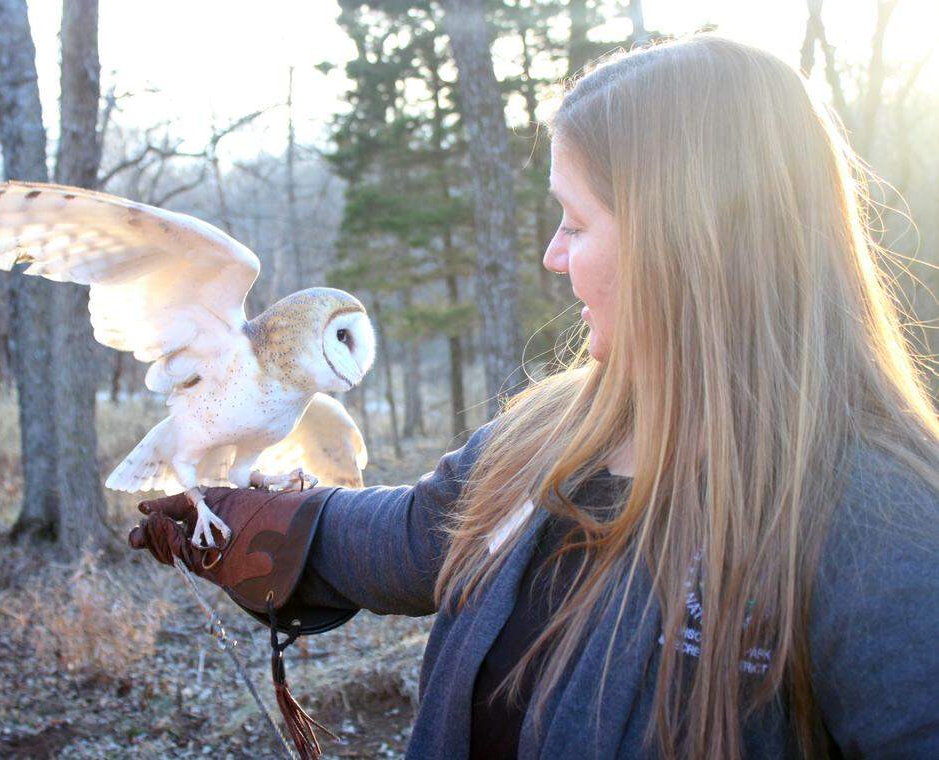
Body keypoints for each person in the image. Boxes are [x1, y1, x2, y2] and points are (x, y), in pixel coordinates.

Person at [130, 34, 939, 759]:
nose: (553, 256)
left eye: (577, 224)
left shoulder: (876, 516)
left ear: (687, 244)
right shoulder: (555, 429)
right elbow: (421, 535)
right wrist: (258, 524)